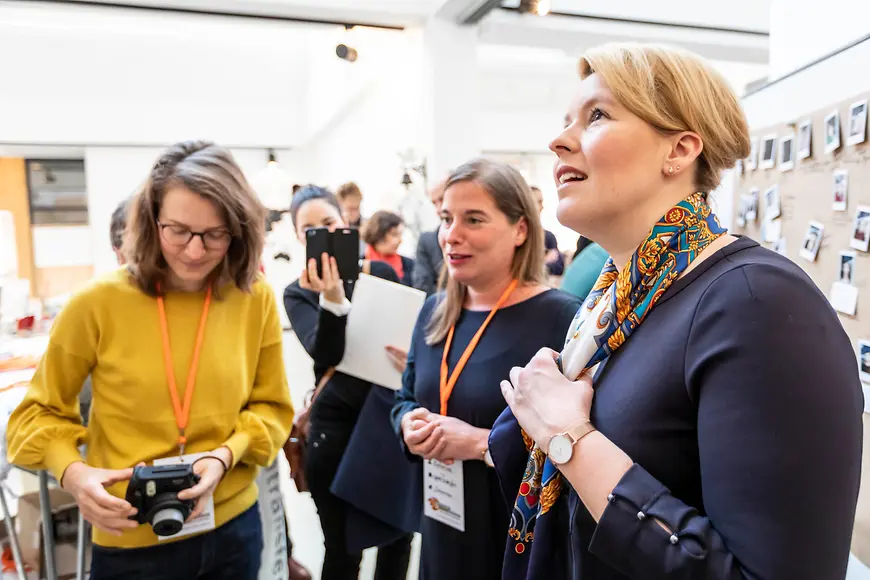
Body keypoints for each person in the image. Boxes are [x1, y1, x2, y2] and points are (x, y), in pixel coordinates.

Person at [491, 43, 863, 580]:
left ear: (680, 149)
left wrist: (568, 438)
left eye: (596, 116)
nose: (558, 140)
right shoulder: (612, 302)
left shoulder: (756, 302)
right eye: (565, 121)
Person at [7, 140, 295, 579]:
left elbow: (271, 408)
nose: (195, 251)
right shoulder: (96, 304)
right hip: (131, 537)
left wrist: (223, 456)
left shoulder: (253, 300)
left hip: (232, 526)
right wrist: (74, 473)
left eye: (215, 234)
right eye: (178, 230)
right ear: (150, 220)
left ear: (238, 231)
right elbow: (33, 418)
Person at [390, 159, 582, 580]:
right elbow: (404, 396)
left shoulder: (561, 320)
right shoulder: (434, 311)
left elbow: (582, 450)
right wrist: (407, 424)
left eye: (473, 219)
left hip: (515, 542)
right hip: (442, 529)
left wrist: (482, 444)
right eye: (446, 219)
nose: (451, 235)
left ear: (520, 229)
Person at [283, 186, 415, 580]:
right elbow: (324, 353)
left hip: (387, 424)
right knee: (341, 551)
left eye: (328, 223)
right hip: (334, 433)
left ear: (347, 223)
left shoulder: (381, 273)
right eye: (309, 230)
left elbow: (404, 337)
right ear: (297, 238)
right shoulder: (299, 292)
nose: (321, 233)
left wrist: (413, 361)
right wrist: (333, 299)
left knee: (397, 539)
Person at [362, 210, 415, 287]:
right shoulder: (361, 264)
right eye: (394, 234)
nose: (400, 240)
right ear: (379, 234)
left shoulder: (409, 265)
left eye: (400, 235)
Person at [413, 180, 446, 296]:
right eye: (434, 203)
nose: (438, 209)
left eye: (442, 199)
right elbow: (422, 285)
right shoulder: (427, 241)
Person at [530, 186, 564, 276]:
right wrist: (545, 261)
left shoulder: (548, 236)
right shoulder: (515, 236)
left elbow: (559, 268)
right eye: (539, 202)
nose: (542, 207)